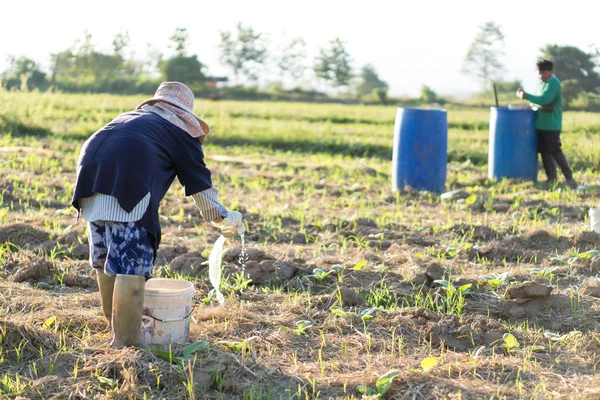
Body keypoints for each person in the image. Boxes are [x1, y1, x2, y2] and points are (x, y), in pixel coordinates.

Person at [71, 82, 245, 348]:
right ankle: (126, 345)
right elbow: (201, 188)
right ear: (186, 114)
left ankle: (113, 327)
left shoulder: (133, 119)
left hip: (88, 178)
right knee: (132, 268)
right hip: (127, 184)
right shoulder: (179, 132)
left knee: (107, 259)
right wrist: (224, 218)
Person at [516, 59, 577, 188]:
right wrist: (537, 102)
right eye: (539, 73)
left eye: (543, 72)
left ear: (551, 71)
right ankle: (551, 178)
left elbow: (543, 100)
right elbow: (538, 102)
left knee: (555, 150)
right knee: (544, 151)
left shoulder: (553, 83)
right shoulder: (544, 84)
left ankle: (569, 177)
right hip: (541, 124)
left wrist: (527, 97)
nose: (540, 75)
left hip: (551, 124)